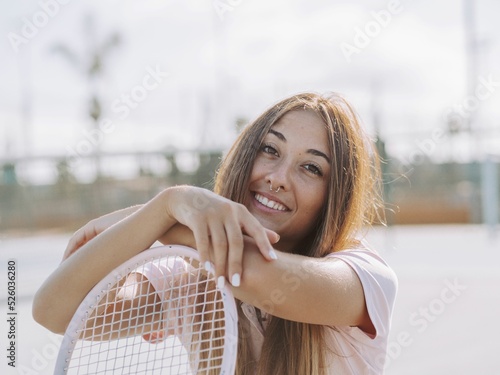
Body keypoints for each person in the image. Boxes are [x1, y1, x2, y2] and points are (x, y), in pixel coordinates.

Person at [33, 92, 398, 374]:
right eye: (270, 149)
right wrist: (167, 207)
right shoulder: (191, 282)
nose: (277, 178)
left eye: (311, 168)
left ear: (334, 196)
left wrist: (165, 218)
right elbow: (54, 311)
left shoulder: (366, 278)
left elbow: (253, 273)